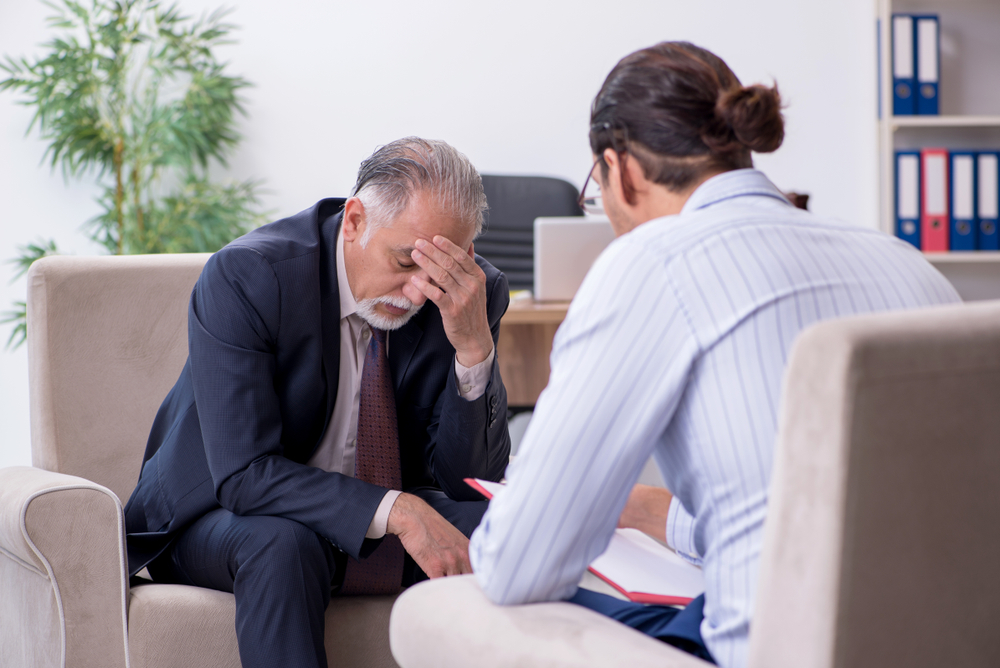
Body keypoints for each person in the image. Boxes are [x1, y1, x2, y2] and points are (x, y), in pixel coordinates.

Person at [469, 42, 960, 668]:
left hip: (769, 649)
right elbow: (820, 513)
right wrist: (656, 512)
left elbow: (519, 567)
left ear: (620, 171)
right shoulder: (903, 260)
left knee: (459, 602)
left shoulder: (651, 263)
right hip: (951, 640)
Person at [123, 137, 511, 668]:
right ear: (354, 221)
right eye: (405, 262)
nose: (420, 293)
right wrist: (398, 510)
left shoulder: (470, 294)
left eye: (440, 271)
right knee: (284, 544)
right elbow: (244, 474)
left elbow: (470, 481)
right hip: (225, 512)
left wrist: (472, 347)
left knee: (519, 527)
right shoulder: (248, 277)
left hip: (372, 515)